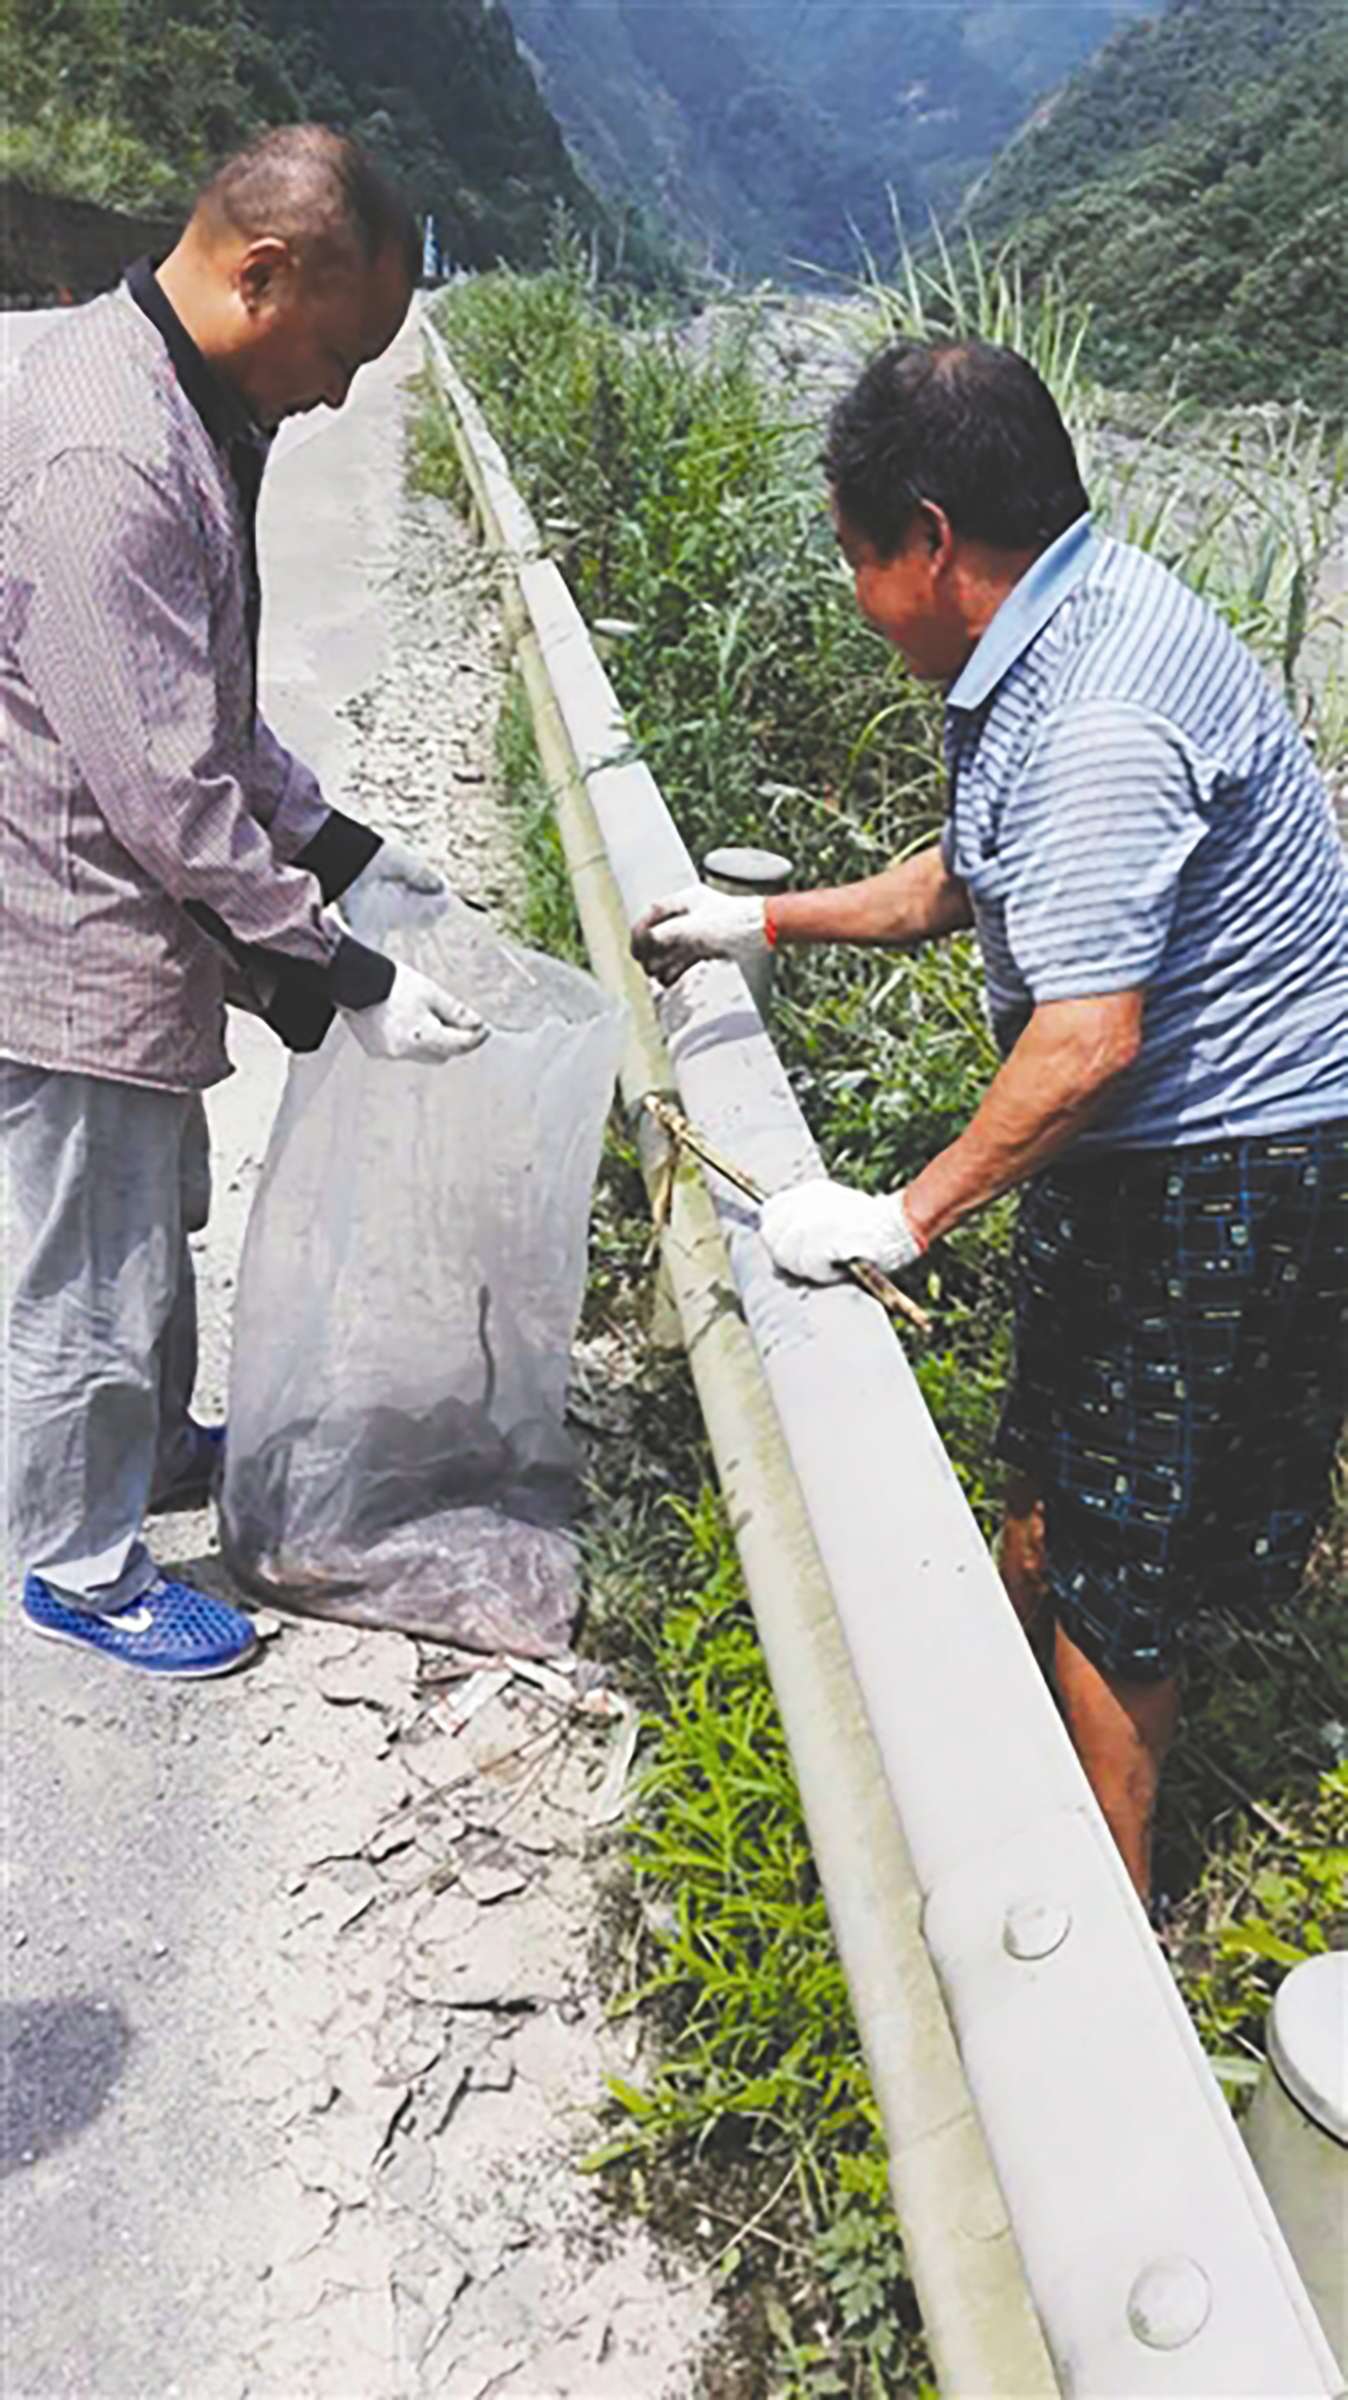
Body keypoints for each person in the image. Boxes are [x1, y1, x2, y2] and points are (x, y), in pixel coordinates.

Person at [633, 339, 1348, 1904]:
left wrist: (902, 1215)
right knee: (1064, 1477)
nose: (858, 597)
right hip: (1178, 1143)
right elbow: (969, 878)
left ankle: (1104, 1932)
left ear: (935, 540)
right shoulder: (1064, 623)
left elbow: (1090, 1043)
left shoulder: (1097, 710)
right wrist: (760, 928)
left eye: (856, 558)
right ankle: (1013, 1749)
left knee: (1119, 1557)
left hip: (1220, 1160)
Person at [1, 126, 488, 1681]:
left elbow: (203, 706)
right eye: (338, 351)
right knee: (88, 1261)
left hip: (126, 916)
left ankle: (140, 1454)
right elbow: (164, 790)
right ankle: (80, 1566)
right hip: (71, 935)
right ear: (262, 273)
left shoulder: (181, 400)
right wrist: (342, 975)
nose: (342, 392)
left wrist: (339, 846)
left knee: (149, 1218)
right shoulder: (111, 453)